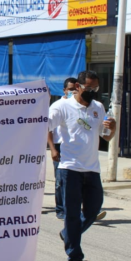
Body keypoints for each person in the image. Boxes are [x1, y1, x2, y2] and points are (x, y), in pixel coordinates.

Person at [48, 70, 116, 261]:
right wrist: (52, 148)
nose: (93, 92)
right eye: (89, 88)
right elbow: (44, 126)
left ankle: (68, 234)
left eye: (96, 88)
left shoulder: (98, 107)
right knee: (72, 215)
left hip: (92, 168)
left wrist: (112, 127)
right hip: (70, 168)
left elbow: (106, 137)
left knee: (93, 210)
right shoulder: (62, 106)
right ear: (78, 86)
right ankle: (75, 257)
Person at [51, 77, 78, 220]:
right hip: (60, 147)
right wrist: (53, 149)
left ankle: (76, 209)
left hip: (75, 148)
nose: (73, 91)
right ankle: (61, 209)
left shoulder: (80, 106)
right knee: (60, 181)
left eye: (75, 89)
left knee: (77, 180)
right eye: (70, 89)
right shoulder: (58, 106)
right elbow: (48, 129)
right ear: (64, 90)